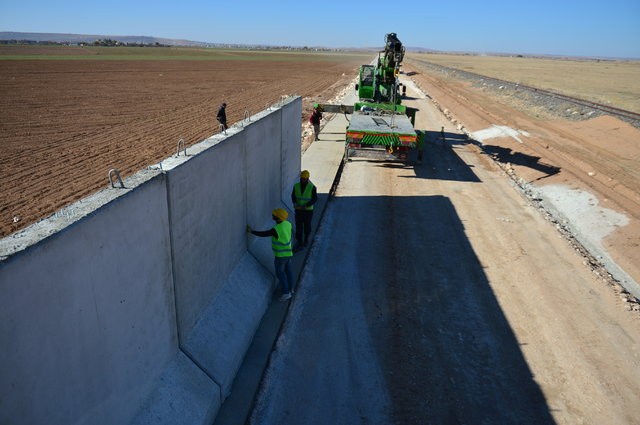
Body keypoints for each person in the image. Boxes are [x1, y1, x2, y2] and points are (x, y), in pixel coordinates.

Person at [247, 208, 294, 301]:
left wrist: (251, 231)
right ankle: (291, 289)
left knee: (280, 274)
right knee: (289, 272)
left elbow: (264, 234)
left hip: (280, 256)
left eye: (274, 215)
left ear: (278, 218)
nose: (273, 216)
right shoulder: (288, 224)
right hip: (288, 253)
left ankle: (286, 293)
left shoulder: (276, 229)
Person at [291, 170, 317, 251]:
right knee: (299, 226)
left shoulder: (312, 187)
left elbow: (315, 199)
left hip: (308, 211)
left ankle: (306, 240)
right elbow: (293, 196)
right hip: (298, 210)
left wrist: (306, 205)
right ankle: (299, 242)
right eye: (301, 178)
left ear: (307, 179)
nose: (302, 180)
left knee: (307, 226)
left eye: (304, 179)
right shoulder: (296, 186)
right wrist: (295, 203)